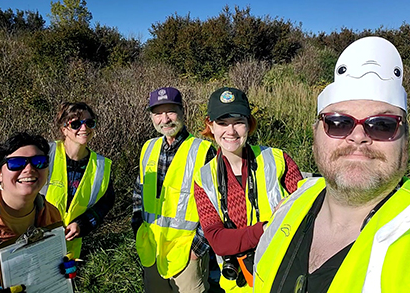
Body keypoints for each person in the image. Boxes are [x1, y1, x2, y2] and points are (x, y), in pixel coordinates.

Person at [253, 36, 410, 293]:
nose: (358, 136)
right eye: (338, 122)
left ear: (406, 141)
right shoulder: (293, 203)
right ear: (315, 137)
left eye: (382, 125)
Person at [193, 87, 303, 292]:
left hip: (284, 275)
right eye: (222, 123)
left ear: (249, 124)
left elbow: (305, 213)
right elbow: (217, 240)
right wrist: (266, 229)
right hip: (238, 284)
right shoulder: (203, 178)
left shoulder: (278, 159)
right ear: (211, 125)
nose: (231, 131)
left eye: (238, 123)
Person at [132, 87, 216, 293]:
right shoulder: (148, 148)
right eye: (158, 113)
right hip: (151, 249)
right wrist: (137, 229)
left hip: (186, 254)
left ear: (182, 111)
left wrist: (197, 250)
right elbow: (138, 193)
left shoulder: (203, 151)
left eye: (170, 111)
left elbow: (215, 205)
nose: (165, 119)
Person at [0, 132, 62, 291]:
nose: (29, 169)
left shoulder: (51, 215)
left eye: (39, 162)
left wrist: (60, 273)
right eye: (16, 163)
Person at [40, 102, 114, 259]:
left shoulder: (101, 165)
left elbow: (105, 204)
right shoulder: (46, 154)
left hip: (69, 250)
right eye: (75, 124)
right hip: (35, 243)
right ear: (64, 129)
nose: (83, 128)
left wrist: (82, 225)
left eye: (89, 123)